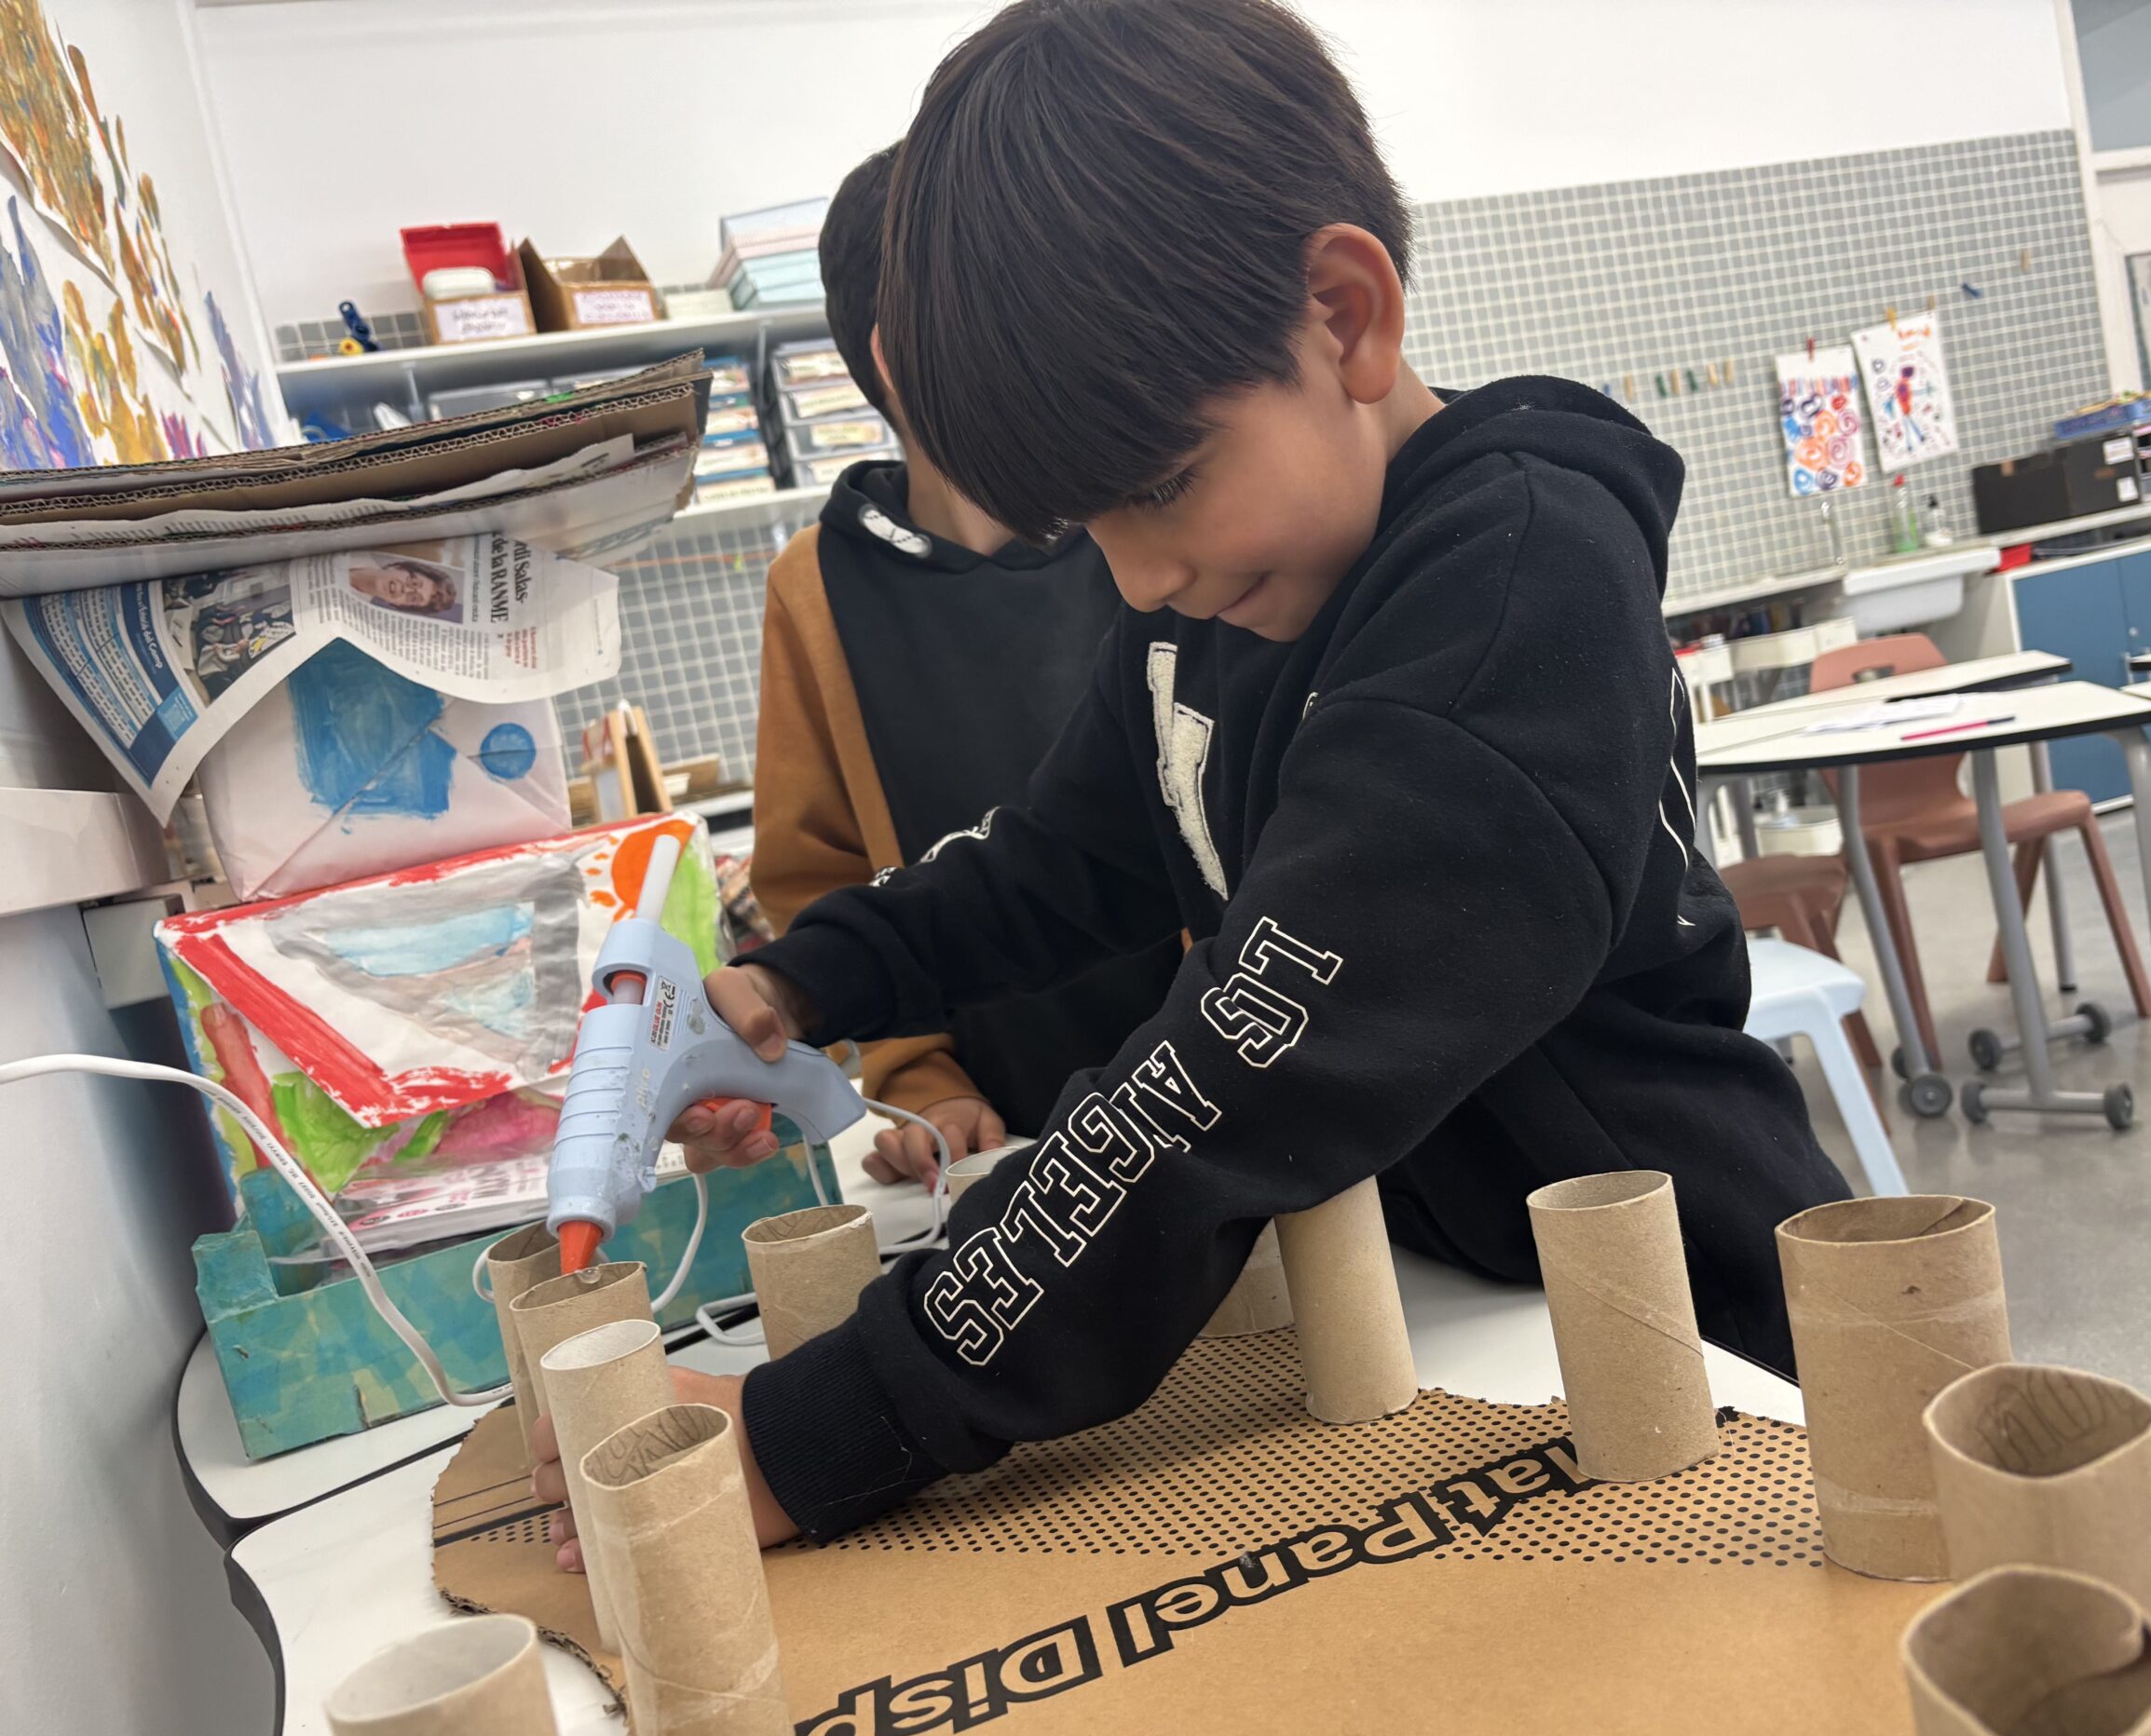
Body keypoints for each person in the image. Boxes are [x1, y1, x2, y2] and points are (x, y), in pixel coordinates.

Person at [534, 0, 1849, 1568]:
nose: (1139, 575)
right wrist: (799, 984)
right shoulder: (1213, 601)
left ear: (1343, 315)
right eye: (1084, 527)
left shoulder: (1513, 590)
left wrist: (833, 1421)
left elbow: (1241, 1068)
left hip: (1704, 1350)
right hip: (1451, 1335)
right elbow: (1054, 861)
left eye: (1160, 486)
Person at [745, 143, 1182, 1188]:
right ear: (907, 357)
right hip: (1008, 1148)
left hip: (1232, 1090)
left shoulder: (1154, 530)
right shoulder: (818, 584)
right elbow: (816, 878)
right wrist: (921, 1076)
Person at [348, 557, 458, 617]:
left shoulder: (353, 613)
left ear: (397, 604)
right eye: (414, 583)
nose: (405, 589)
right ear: (399, 567)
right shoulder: (354, 549)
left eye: (413, 598)